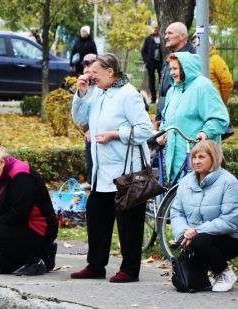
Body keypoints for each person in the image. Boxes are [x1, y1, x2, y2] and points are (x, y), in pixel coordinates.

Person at [71, 53, 152, 283]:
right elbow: (79, 117)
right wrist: (82, 93)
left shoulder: (128, 94)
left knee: (129, 223)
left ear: (110, 71)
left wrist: (115, 135)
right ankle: (96, 265)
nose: (91, 75)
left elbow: (145, 130)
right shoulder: (98, 92)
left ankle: (130, 269)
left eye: (95, 72)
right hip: (102, 173)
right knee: (97, 216)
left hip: (126, 172)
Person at [0, 144, 58, 276]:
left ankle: (35, 262)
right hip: (22, 225)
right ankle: (45, 253)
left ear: (1, 162)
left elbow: (19, 214)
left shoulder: (21, 175)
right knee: (0, 266)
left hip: (40, 229)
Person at [170, 140, 238, 292]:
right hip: (195, 238)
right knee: (186, 283)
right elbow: (176, 212)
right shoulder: (186, 182)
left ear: (213, 158)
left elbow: (230, 220)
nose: (196, 161)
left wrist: (197, 231)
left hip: (230, 239)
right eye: (194, 157)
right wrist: (185, 231)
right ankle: (205, 276)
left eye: (201, 157)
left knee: (200, 241)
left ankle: (225, 273)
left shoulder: (229, 182)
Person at [157, 53, 229, 180]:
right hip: (176, 160)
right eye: (170, 69)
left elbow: (220, 118)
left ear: (185, 68)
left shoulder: (203, 86)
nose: (172, 73)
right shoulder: (172, 90)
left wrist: (205, 132)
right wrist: (163, 132)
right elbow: (167, 119)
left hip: (199, 158)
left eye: (175, 68)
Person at [155, 22, 196, 127]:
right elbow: (164, 92)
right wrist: (159, 117)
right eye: (165, 33)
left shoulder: (191, 58)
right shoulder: (171, 57)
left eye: (170, 33)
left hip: (180, 121)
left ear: (182, 36)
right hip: (166, 117)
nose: (166, 37)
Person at [81, 53, 97, 185]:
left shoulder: (100, 84)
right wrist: (87, 128)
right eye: (85, 67)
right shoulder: (84, 85)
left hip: (101, 127)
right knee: (89, 152)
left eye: (90, 67)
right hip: (89, 127)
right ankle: (90, 180)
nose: (87, 70)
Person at [141, 24, 163, 103]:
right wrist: (146, 60)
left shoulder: (163, 38)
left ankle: (161, 98)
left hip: (160, 62)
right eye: (155, 28)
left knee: (162, 80)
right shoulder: (149, 39)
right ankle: (153, 99)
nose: (156, 29)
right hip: (151, 63)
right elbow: (143, 51)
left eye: (157, 28)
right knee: (151, 81)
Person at [209, 39, 234, 105]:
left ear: (210, 46)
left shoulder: (216, 60)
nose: (195, 45)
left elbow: (227, 82)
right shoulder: (195, 60)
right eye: (194, 43)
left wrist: (222, 101)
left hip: (214, 103)